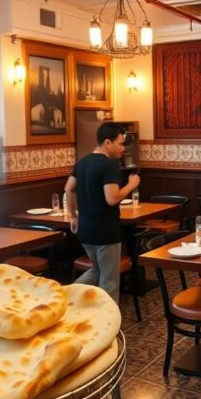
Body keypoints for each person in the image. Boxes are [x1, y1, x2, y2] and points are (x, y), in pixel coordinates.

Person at [65, 122, 140, 304]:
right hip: (105, 231)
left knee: (97, 270)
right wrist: (130, 185)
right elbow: (112, 198)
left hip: (85, 230)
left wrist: (73, 216)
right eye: (120, 144)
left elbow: (68, 189)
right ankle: (110, 318)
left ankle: (65, 295)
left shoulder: (82, 162)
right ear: (107, 143)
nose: (123, 148)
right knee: (109, 280)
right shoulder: (109, 165)